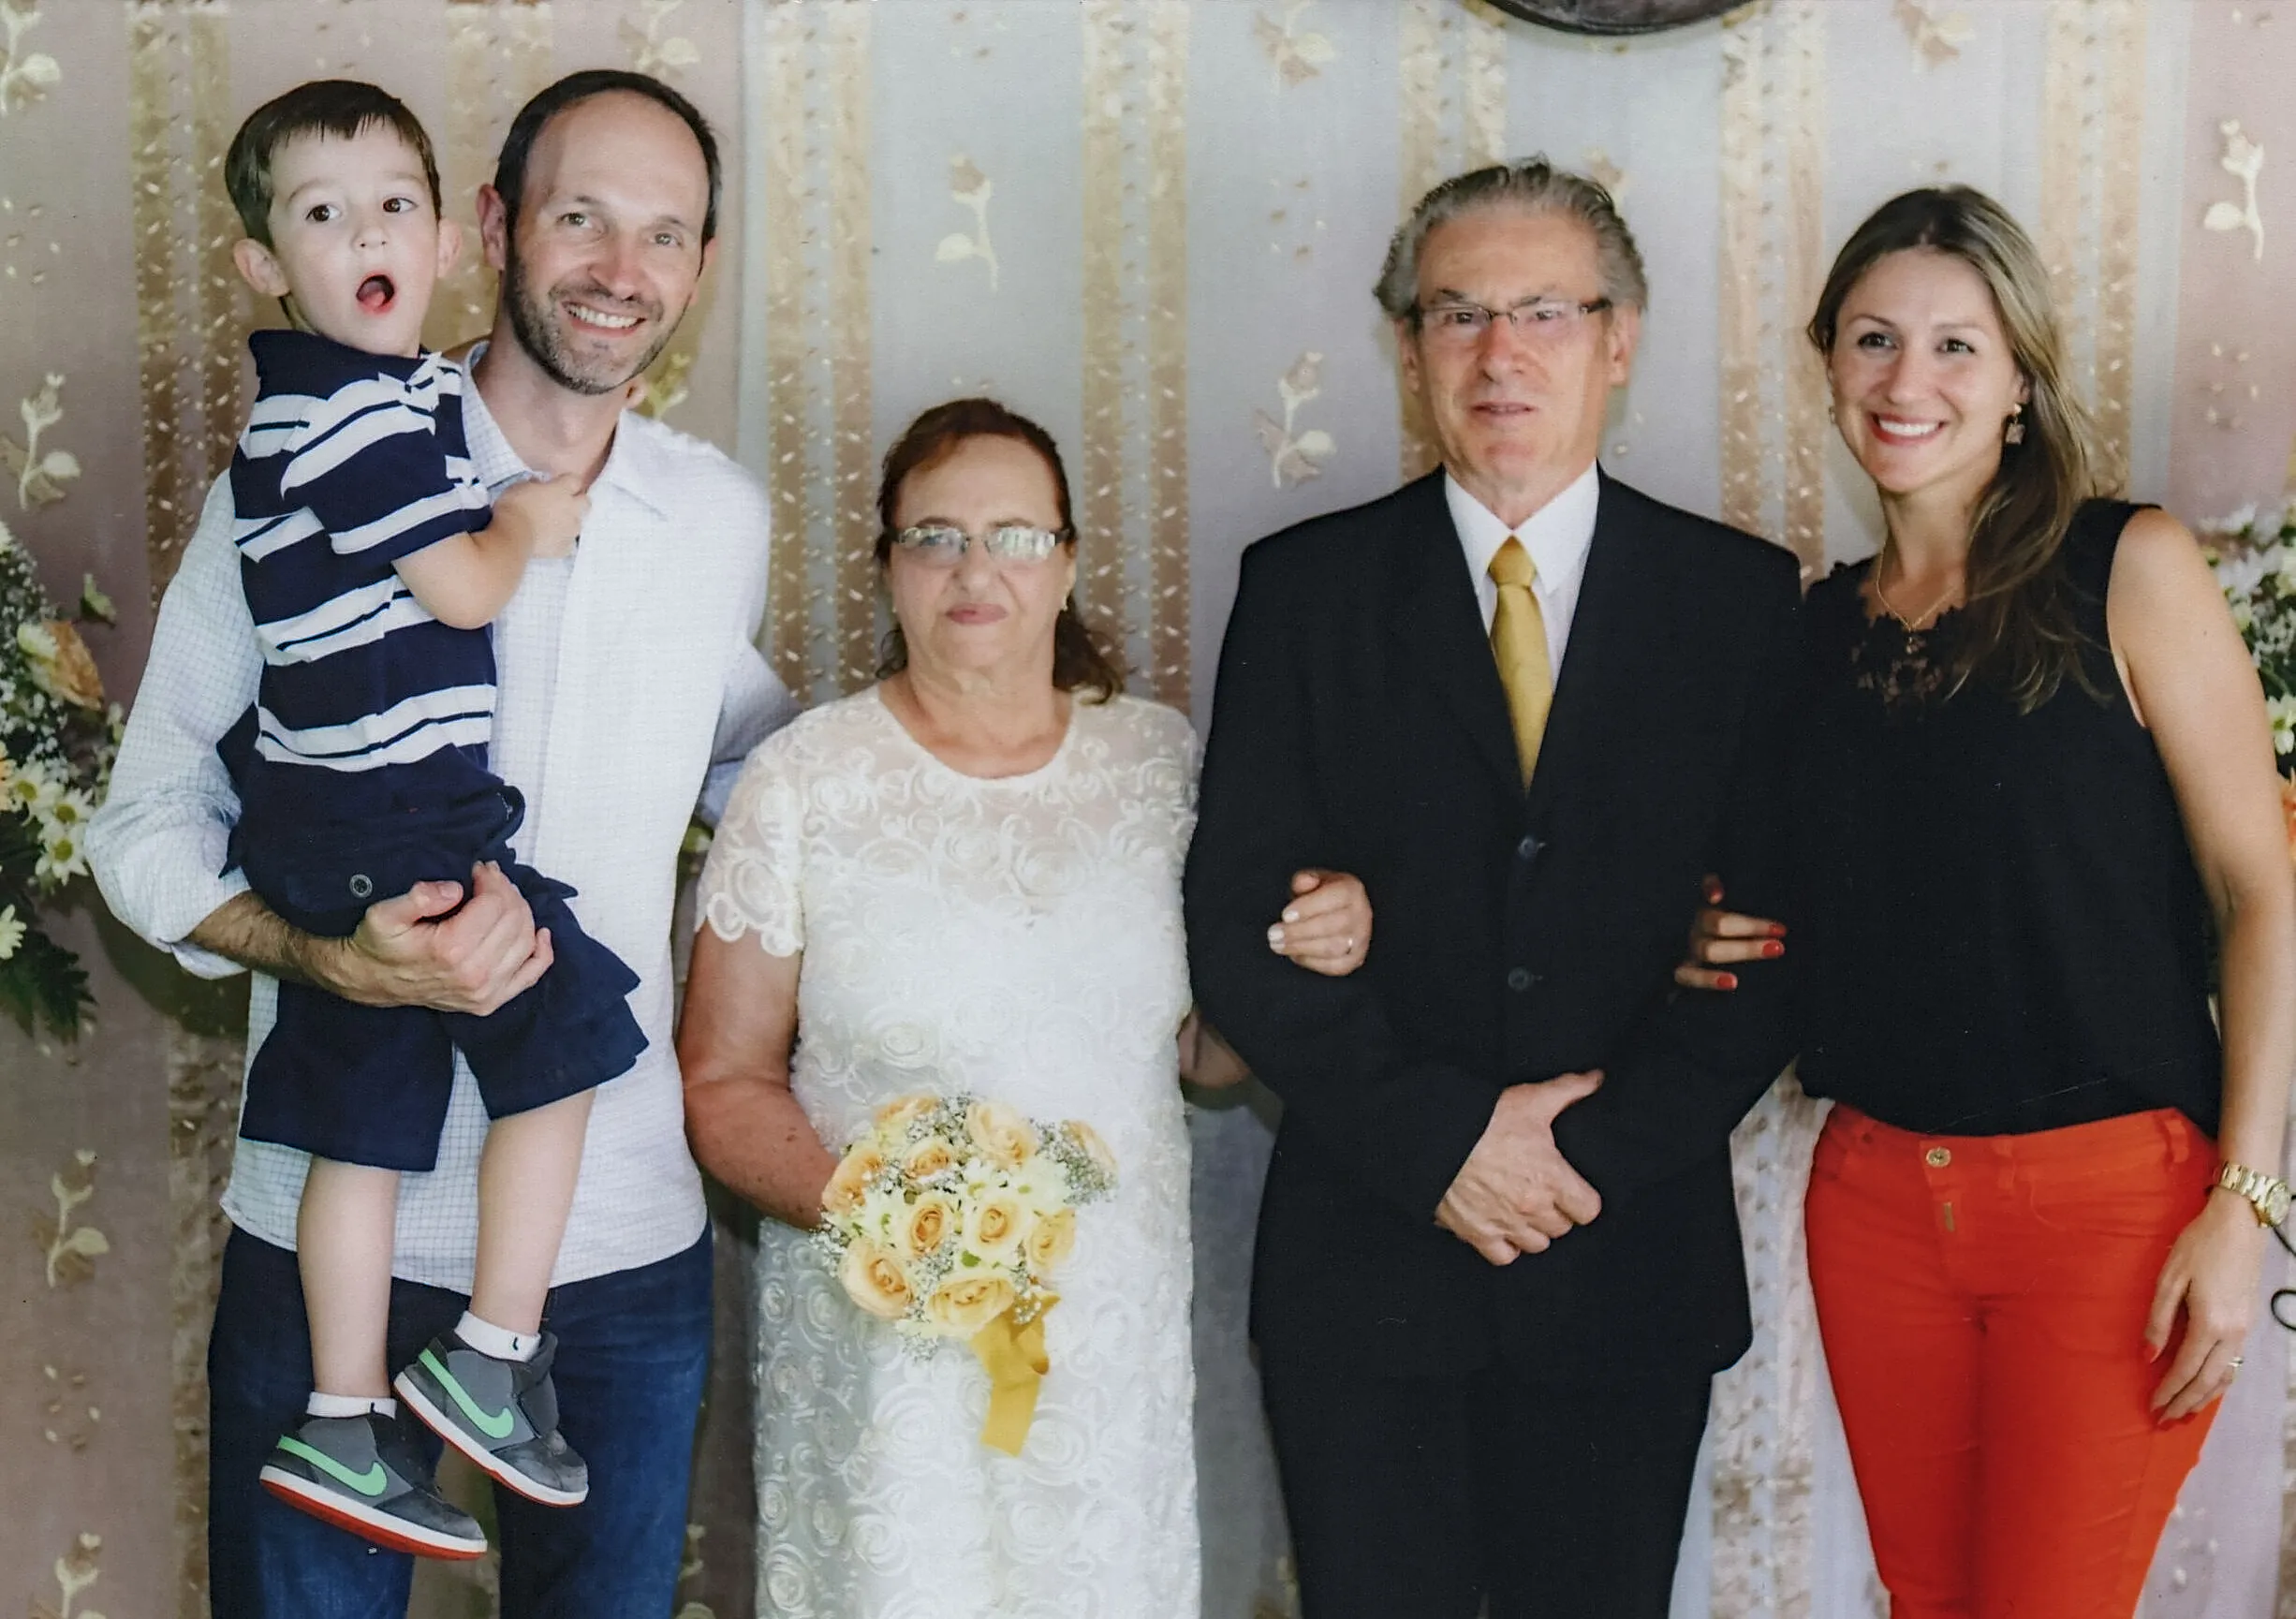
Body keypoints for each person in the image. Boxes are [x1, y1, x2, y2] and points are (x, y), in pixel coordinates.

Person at [87, 68, 792, 1618]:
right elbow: (138, 822)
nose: (621, 270)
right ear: (493, 227)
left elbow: (762, 763)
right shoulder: (313, 468)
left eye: (665, 235)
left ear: (698, 271)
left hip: (618, 1252)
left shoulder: (717, 521)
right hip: (331, 1235)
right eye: (582, 217)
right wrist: (313, 951)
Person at [1183, 158, 1804, 1619]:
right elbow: (1237, 928)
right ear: (1408, 351)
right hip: (1369, 1273)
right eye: (1458, 314)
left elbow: (1783, 941)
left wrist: (1577, 1154)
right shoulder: (1304, 589)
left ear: (1620, 337)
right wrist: (1446, 1143)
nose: (1499, 353)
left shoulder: (1737, 600)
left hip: (1624, 1264)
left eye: (1542, 310)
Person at [1677, 185, 2296, 1619]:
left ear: (2021, 378)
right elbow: (1784, 897)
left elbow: (2263, 889)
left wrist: (2244, 1203)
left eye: (1958, 346)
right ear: (1828, 360)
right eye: (1877, 339)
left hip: (2110, 1215)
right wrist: (1696, 929)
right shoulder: (1814, 629)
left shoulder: (2127, 568)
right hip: (1876, 1206)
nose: (1910, 383)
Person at [677, 397, 1373, 1619]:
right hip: (883, 1337)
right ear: (889, 566)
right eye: (935, 537)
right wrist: (884, 1215)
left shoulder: (1160, 767)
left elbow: (1205, 1059)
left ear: (1066, 563)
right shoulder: (805, 781)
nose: (973, 570)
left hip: (1104, 1339)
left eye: (1011, 534)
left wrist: (1309, 949)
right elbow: (726, 1082)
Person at [212, 78, 645, 1556]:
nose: (365, 233)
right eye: (321, 215)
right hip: (395, 816)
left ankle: (344, 1420)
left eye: (392, 202)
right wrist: (523, 514)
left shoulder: (357, 407)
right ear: (267, 266)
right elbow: (463, 587)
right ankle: (492, 1353)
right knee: (574, 1032)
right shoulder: (349, 418)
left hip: (337, 819)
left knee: (362, 1130)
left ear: (447, 236)